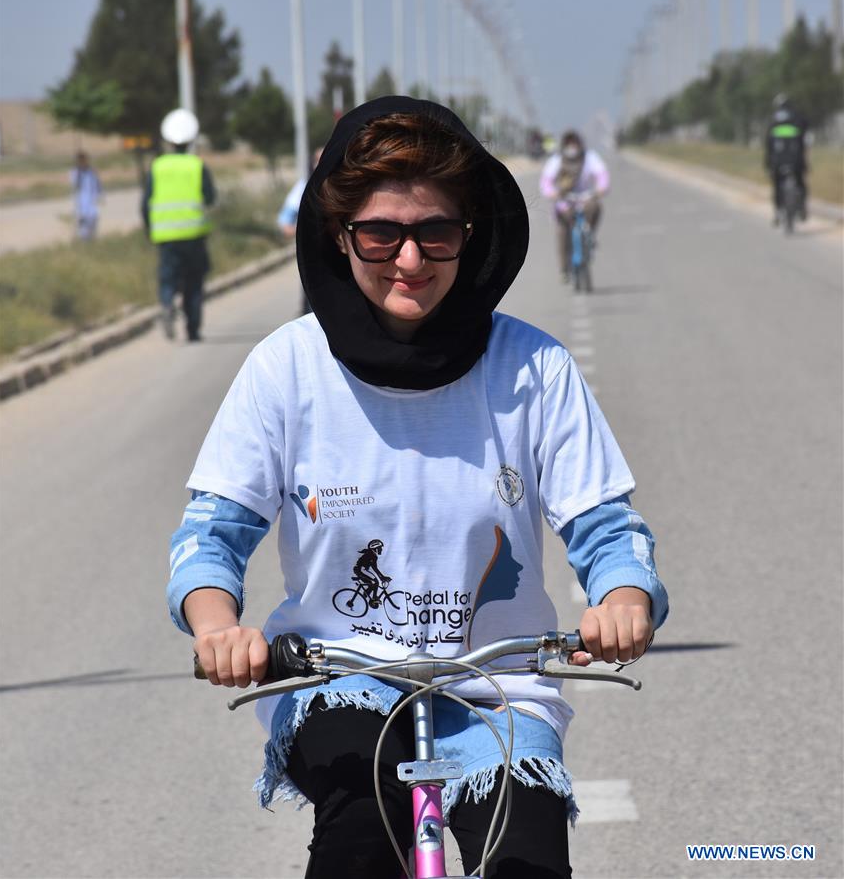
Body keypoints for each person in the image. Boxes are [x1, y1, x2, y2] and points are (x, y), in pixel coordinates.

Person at [166, 97, 668, 879]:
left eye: (436, 232)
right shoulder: (287, 368)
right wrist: (215, 627)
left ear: (471, 235)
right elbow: (211, 535)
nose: (410, 260)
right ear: (339, 236)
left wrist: (626, 598)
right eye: (380, 234)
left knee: (526, 859)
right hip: (339, 681)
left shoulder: (533, 369)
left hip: (497, 686)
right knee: (362, 835)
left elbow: (607, 527)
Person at [141, 108, 216, 342]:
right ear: (191, 139)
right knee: (194, 282)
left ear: (168, 141)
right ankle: (192, 330)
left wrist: (149, 230)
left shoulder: (157, 166)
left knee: (168, 277)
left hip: (166, 236)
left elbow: (145, 203)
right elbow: (210, 197)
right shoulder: (196, 165)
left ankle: (166, 303)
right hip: (193, 234)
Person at [540, 131, 609, 283]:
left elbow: (602, 174)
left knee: (595, 207)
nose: (572, 147)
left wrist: (601, 189)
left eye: (574, 143)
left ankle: (589, 234)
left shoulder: (590, 158)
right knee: (562, 233)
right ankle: (564, 270)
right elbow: (546, 182)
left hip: (586, 198)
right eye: (569, 144)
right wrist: (553, 194)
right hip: (564, 201)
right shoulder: (556, 161)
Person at [277, 147, 323, 316]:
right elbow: (284, 220)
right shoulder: (304, 187)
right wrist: (302, 230)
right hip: (313, 254)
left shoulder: (345, 186)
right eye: (317, 159)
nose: (321, 163)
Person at [764, 93, 809, 225]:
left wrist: (767, 163)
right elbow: (804, 137)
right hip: (796, 159)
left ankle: (778, 212)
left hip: (777, 161)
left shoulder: (773, 120)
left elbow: (768, 144)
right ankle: (802, 207)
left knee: (777, 186)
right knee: (801, 182)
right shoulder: (797, 117)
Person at [70, 151, 102, 241]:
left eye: (84, 159)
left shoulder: (92, 172)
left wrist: (100, 195)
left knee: (93, 228)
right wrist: (79, 172)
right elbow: (74, 184)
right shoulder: (76, 173)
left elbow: (98, 186)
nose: (83, 162)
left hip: (93, 205)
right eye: (80, 160)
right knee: (83, 231)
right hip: (81, 206)